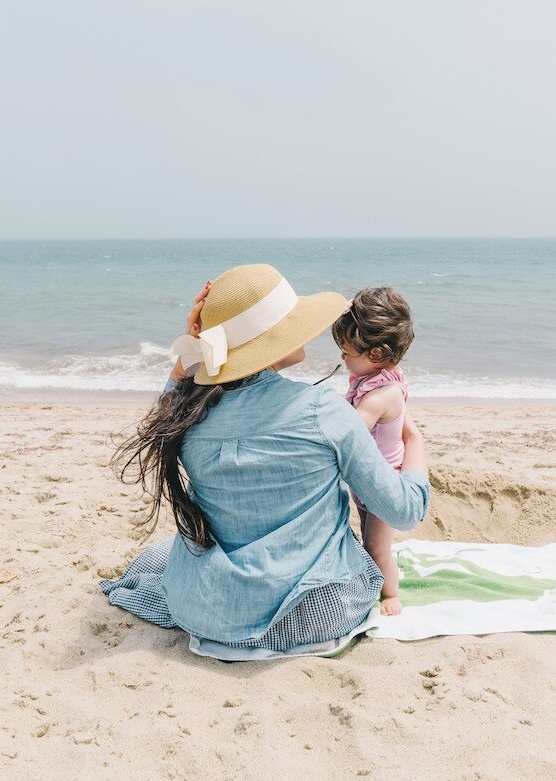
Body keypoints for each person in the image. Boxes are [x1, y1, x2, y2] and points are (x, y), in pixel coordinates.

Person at [102, 264, 429, 657]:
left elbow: (168, 406)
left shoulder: (186, 415)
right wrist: (415, 441)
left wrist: (189, 353)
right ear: (270, 340)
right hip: (313, 613)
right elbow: (405, 511)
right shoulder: (322, 411)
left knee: (160, 558)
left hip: (209, 606)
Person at [331, 287, 414, 615]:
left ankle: (390, 593)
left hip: (382, 486)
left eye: (346, 352)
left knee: (377, 548)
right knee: (370, 537)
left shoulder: (381, 396)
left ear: (377, 354)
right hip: (367, 484)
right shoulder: (376, 378)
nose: (342, 358)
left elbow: (350, 429)